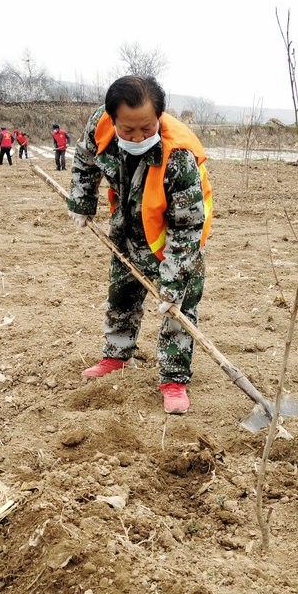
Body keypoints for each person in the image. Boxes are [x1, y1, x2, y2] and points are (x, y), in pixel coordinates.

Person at [67, 75, 213, 415]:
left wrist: (172, 284)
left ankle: (174, 379)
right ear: (113, 118)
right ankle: (117, 356)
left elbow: (187, 227)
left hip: (177, 238)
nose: (137, 137)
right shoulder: (101, 125)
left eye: (146, 129)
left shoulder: (179, 158)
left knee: (178, 310)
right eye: (128, 130)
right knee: (121, 293)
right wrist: (82, 201)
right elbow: (85, 159)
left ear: (159, 116)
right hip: (129, 225)